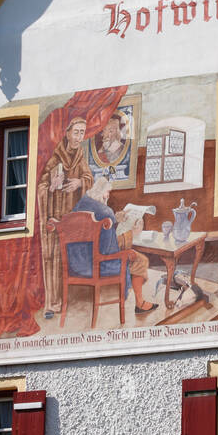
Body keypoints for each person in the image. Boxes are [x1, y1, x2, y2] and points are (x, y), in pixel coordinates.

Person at [71, 176, 157, 314]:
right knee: (141, 260)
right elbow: (108, 250)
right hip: (98, 265)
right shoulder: (105, 212)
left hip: (77, 263)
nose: (108, 196)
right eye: (108, 192)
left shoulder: (79, 206)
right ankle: (139, 304)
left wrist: (114, 219)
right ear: (102, 192)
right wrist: (130, 234)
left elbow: (96, 234)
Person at [37, 117, 94, 316]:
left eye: (82, 132)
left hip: (73, 218)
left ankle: (73, 297)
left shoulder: (81, 157)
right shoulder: (55, 159)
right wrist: (53, 185)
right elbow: (42, 188)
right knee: (53, 259)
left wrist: (80, 183)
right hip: (56, 219)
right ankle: (53, 304)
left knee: (73, 256)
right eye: (76, 132)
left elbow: (89, 178)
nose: (79, 137)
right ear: (67, 133)